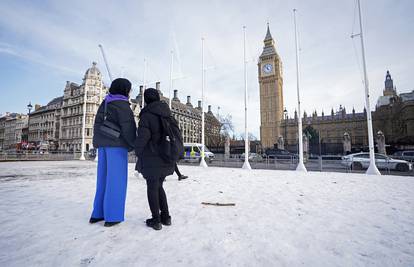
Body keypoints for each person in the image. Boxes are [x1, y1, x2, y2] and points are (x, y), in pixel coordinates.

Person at [90, 78, 136, 227]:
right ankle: (113, 215)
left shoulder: (105, 102)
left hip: (102, 146)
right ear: (124, 90)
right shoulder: (122, 105)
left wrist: (97, 142)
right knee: (116, 181)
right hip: (116, 145)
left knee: (102, 180)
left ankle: (98, 213)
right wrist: (133, 145)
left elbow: (97, 123)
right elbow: (128, 129)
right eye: (129, 89)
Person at [135, 88, 175, 230]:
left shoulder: (146, 115)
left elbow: (143, 138)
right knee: (159, 186)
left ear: (146, 100)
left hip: (151, 157)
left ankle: (156, 220)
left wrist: (137, 152)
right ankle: (166, 217)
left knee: (152, 188)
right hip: (166, 156)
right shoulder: (167, 114)